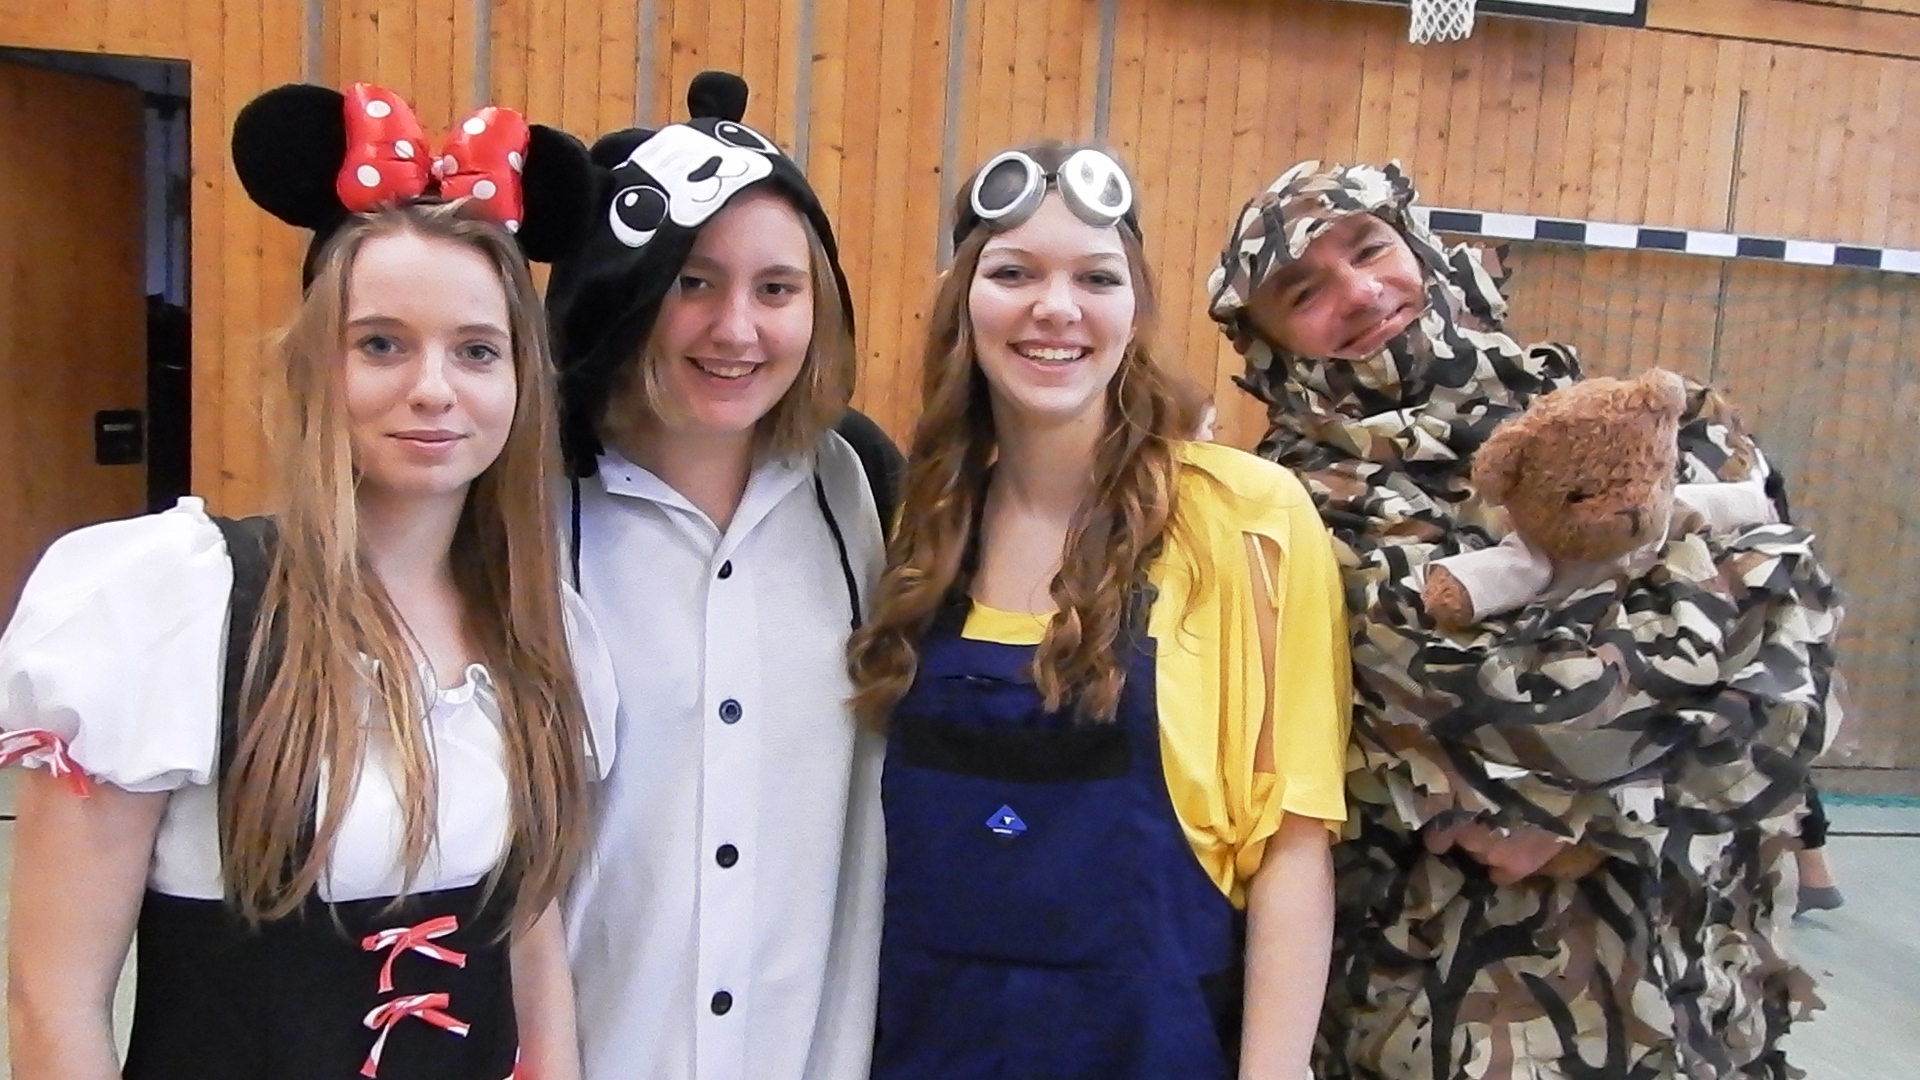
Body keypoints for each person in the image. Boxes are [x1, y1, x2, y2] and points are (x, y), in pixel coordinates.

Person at [1, 82, 614, 1080]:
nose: (432, 388)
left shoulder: (542, 634)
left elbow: (532, 952)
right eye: (381, 344)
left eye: (476, 351)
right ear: (312, 367)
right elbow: (53, 1004)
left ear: (519, 383)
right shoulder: (184, 610)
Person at [1208, 159, 1846, 1079]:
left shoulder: (1628, 419)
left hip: (1702, 987)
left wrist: (1592, 810)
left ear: (1420, 246)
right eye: (1304, 292)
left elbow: (1803, 657)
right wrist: (1706, 616)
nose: (1360, 292)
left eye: (1371, 249)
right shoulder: (1298, 509)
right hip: (1471, 1019)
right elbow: (1549, 721)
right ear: (1268, 342)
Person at [846, 142, 1351, 1080]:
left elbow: (1292, 845)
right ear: (963, 303)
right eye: (1013, 273)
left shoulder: (1247, 518)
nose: (1055, 307)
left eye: (1096, 277)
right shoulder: (920, 526)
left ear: (1135, 309)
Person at [543, 71, 889, 1080]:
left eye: (776, 289)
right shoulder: (529, 503)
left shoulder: (859, 486)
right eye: (694, 283)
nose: (738, 329)